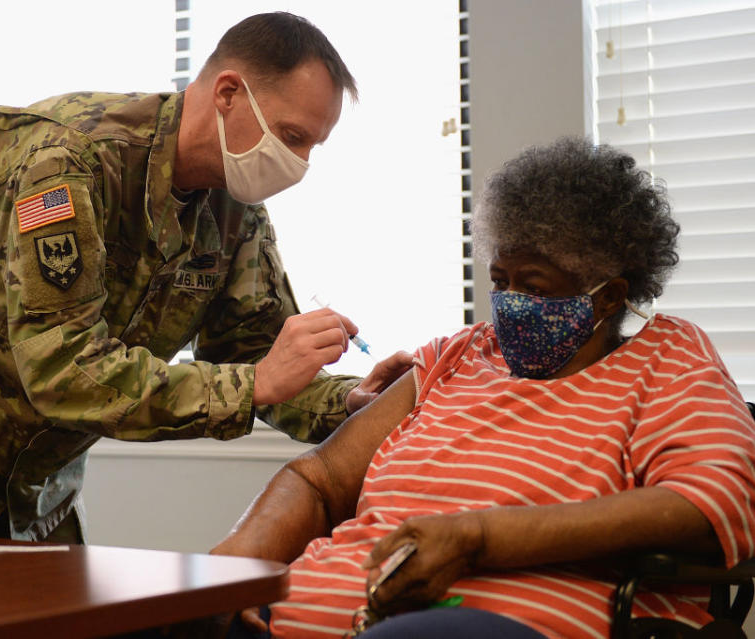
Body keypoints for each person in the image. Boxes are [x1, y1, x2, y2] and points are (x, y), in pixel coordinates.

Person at [0, 12, 410, 543]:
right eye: (292, 137)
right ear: (228, 93)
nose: (298, 164)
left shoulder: (234, 211)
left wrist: (349, 402)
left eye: (312, 147)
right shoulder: (67, 158)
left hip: (32, 483)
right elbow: (65, 369)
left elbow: (256, 356)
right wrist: (250, 385)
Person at [212, 137, 755, 638]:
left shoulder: (667, 359)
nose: (509, 303)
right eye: (501, 281)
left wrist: (477, 538)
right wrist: (229, 568)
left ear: (608, 296)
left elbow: (708, 506)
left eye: (533, 284)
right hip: (310, 609)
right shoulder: (457, 355)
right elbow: (320, 478)